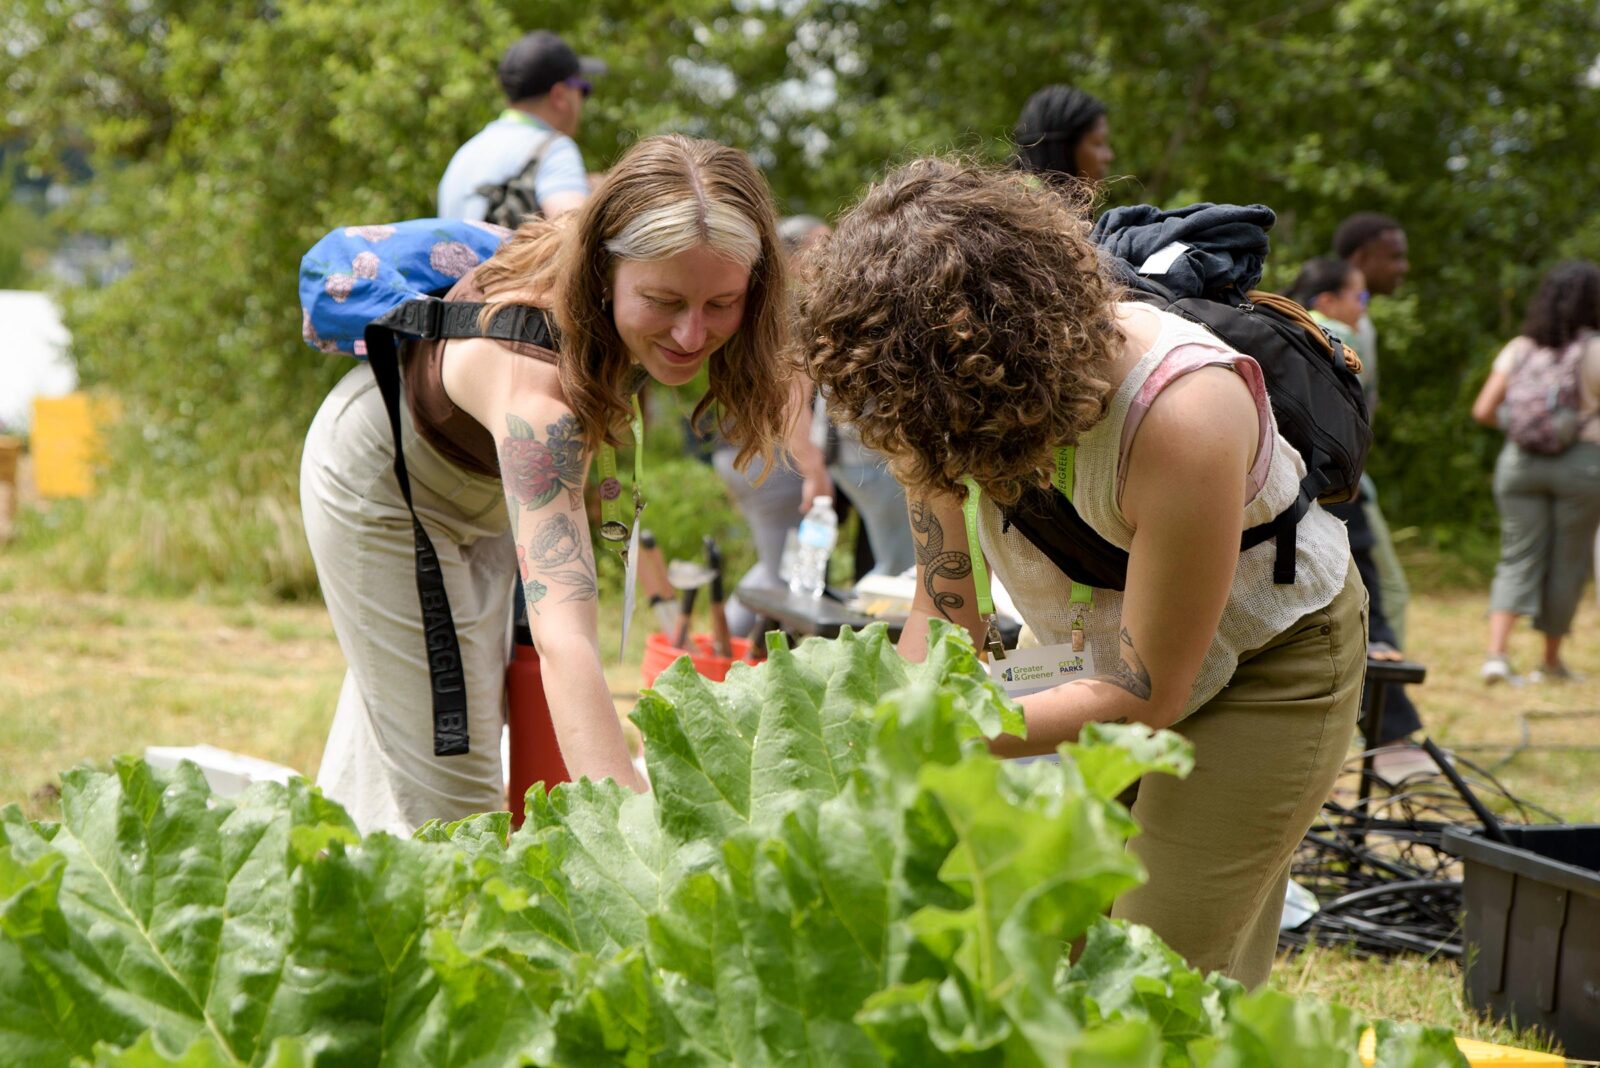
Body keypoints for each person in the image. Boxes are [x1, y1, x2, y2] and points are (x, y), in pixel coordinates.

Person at [796, 159, 1364, 988]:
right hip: (1098, 657)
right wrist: (905, 731)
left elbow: (1149, 690)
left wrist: (951, 737)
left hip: (1267, 661)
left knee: (1154, 976)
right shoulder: (926, 397)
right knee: (1042, 951)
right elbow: (945, 609)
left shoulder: (1183, 410)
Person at [302, 135, 792, 833]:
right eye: (663, 300)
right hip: (385, 486)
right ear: (603, 273)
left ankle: (339, 896)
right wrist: (633, 827)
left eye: (722, 303)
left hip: (478, 484)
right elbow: (568, 639)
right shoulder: (539, 399)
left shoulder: (612, 300)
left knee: (412, 729)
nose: (691, 332)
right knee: (457, 788)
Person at [1287, 257, 1430, 783]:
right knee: (1380, 598)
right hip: (1342, 485)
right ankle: (1390, 738)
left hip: (1294, 488)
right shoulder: (1340, 333)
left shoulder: (1277, 324)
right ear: (1328, 299)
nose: (1364, 309)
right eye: (1360, 296)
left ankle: (1376, 729)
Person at [1471, 260, 1600, 684]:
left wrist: (1526, 429)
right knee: (1568, 562)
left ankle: (1495, 656)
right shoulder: (1595, 350)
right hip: (1582, 466)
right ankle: (1549, 663)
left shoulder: (1520, 347)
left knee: (1516, 556)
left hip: (1519, 463)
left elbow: (1484, 409)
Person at [1334, 213, 1412, 646]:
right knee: (1389, 590)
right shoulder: (1351, 327)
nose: (1403, 267)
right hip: (1346, 482)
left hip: (1347, 478)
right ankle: (1385, 704)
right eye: (1394, 257)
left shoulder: (1356, 318)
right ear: (1362, 258)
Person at [436, 30, 605, 223]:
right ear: (559, 96)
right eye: (583, 89)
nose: (582, 99)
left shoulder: (465, 154)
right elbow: (576, 236)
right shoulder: (554, 150)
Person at [1012, 84, 1115, 184]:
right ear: (1064, 149)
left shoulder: (1016, 194)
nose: (1109, 156)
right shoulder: (1020, 200)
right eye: (1098, 143)